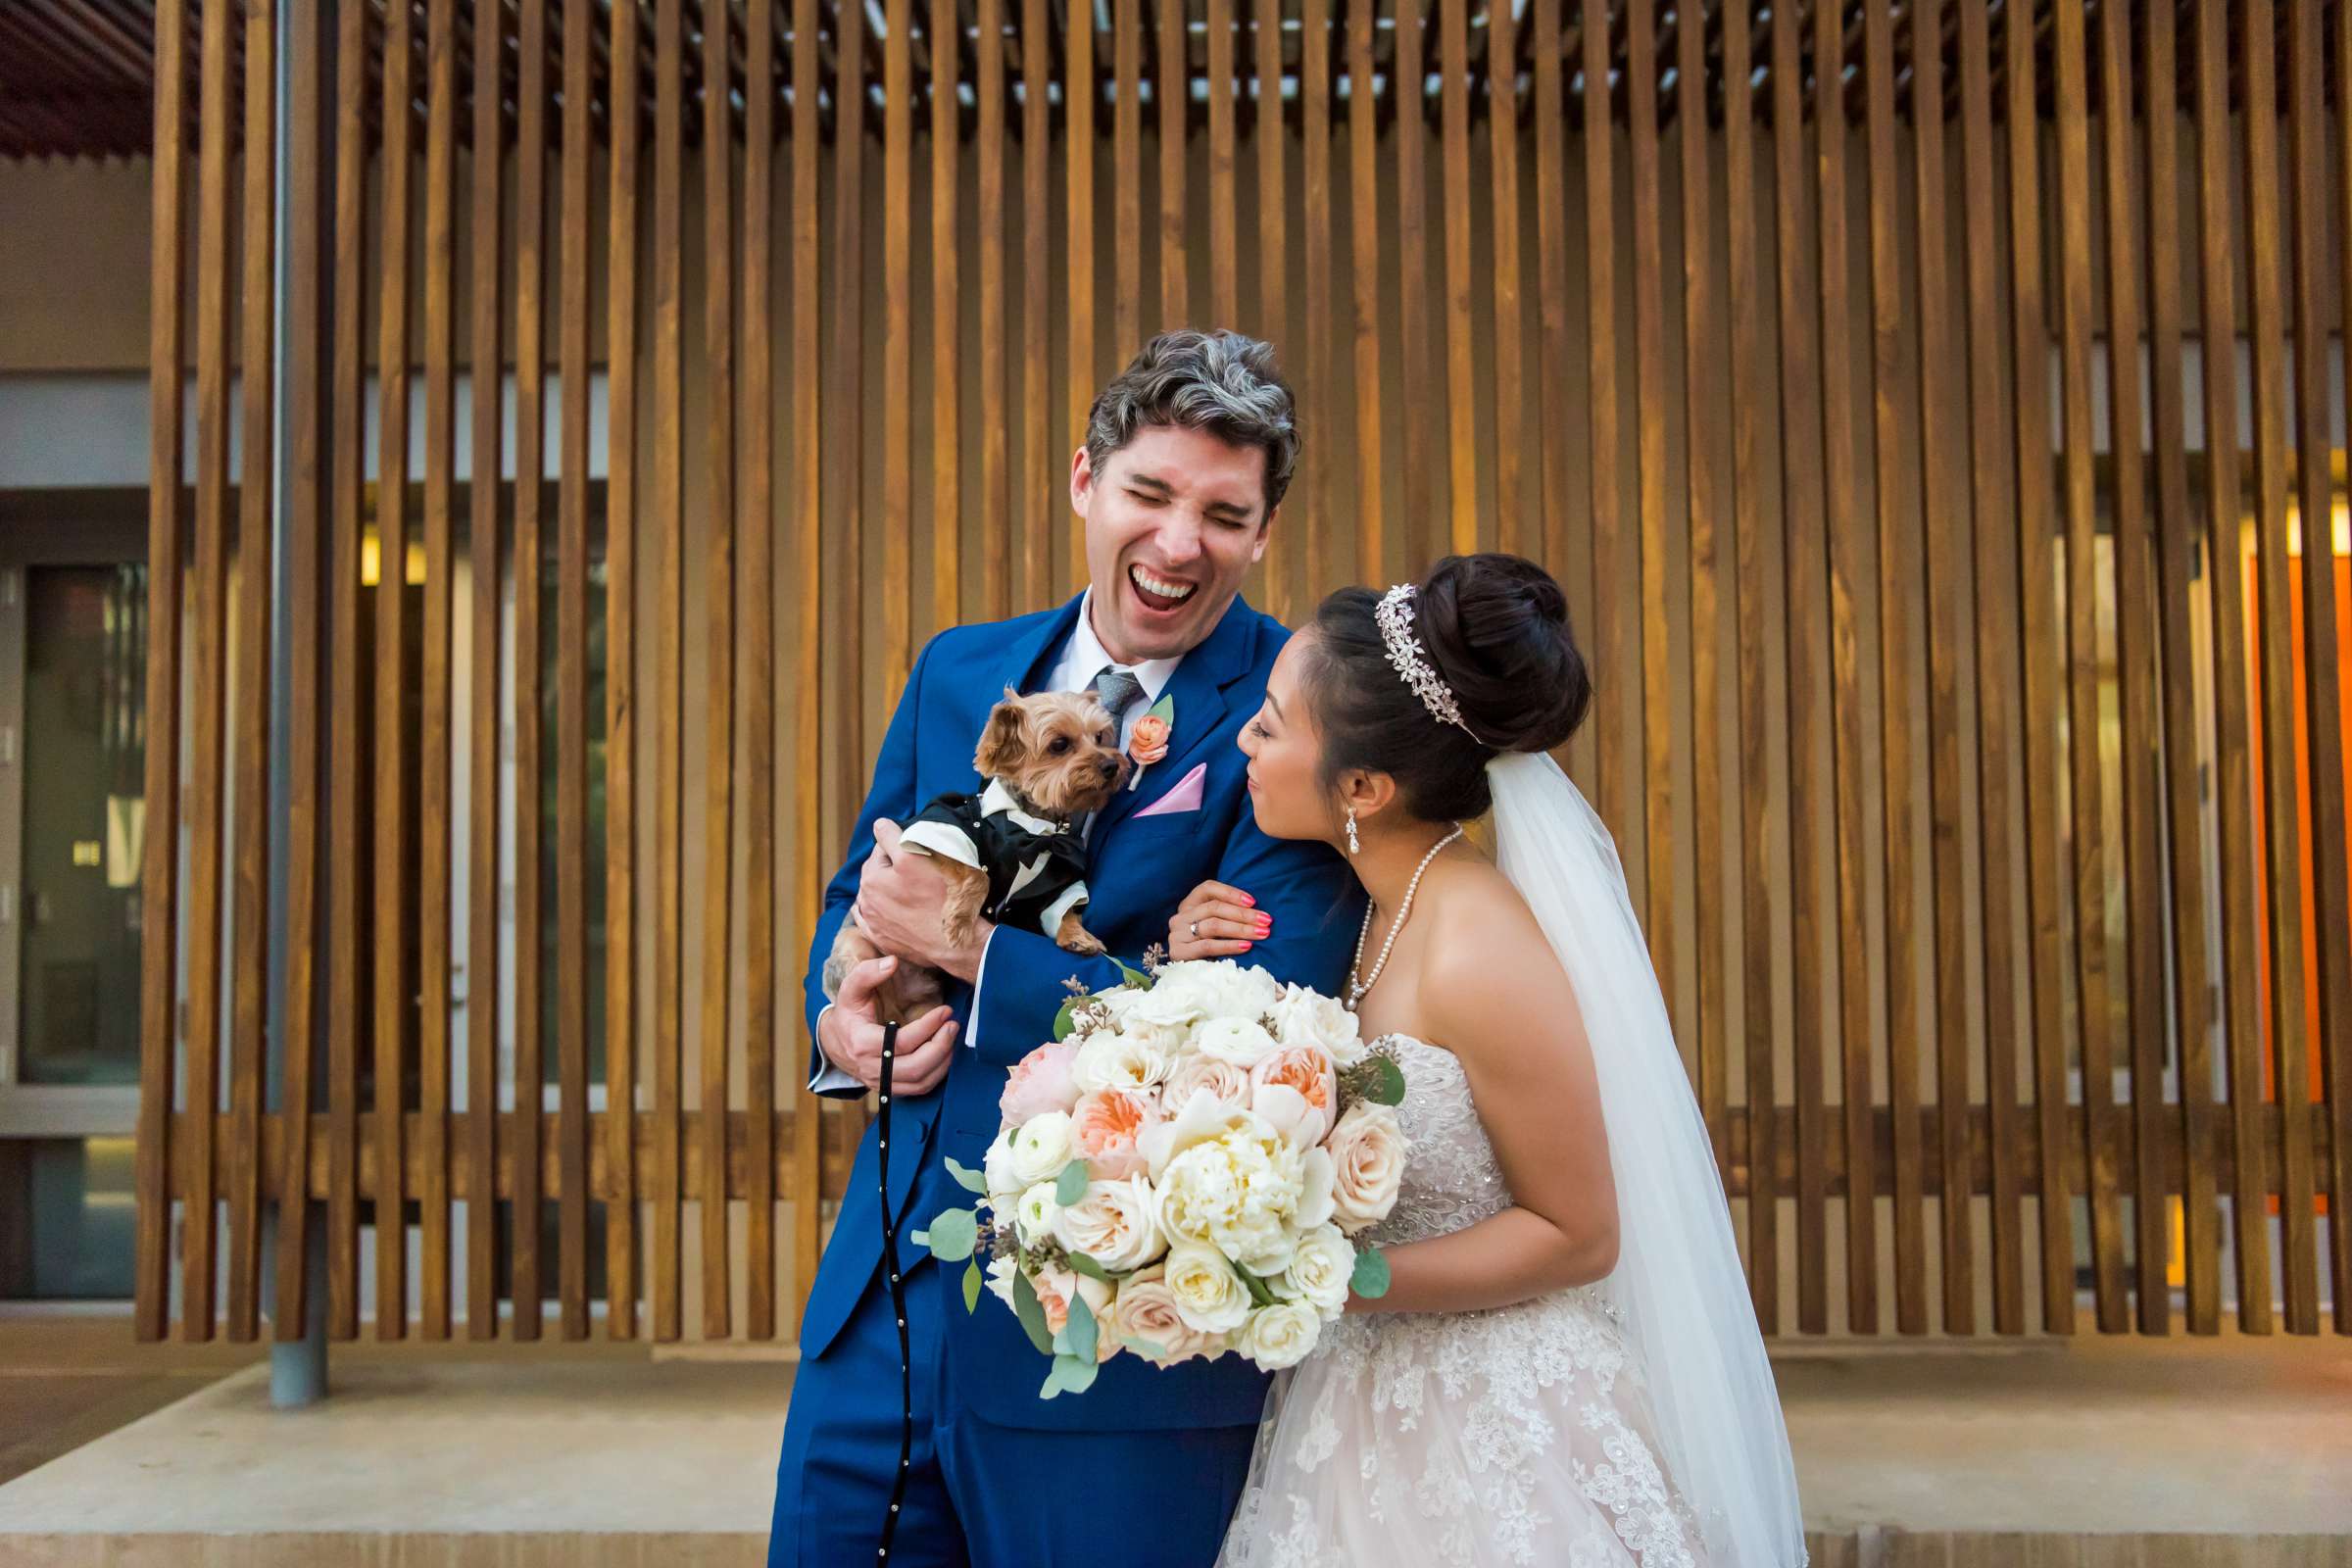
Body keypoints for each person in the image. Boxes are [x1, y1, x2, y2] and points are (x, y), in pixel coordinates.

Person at [767, 329, 1364, 1568]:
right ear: (1084, 480)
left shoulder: (1293, 713)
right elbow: (861, 890)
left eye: (1223, 511)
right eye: (1149, 492)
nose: (1179, 539)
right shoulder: (959, 670)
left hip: (1116, 1345)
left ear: (1263, 533)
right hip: (884, 1303)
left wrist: (985, 957)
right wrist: (847, 1018)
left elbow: (1263, 1025)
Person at [1178, 553, 1807, 1567]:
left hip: (1495, 1429)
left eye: (1272, 723)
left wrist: (1330, 1278)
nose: (1244, 739)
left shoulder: (1479, 949)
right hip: (1357, 1404)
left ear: (1365, 785)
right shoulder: (1372, 909)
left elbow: (1578, 1231)